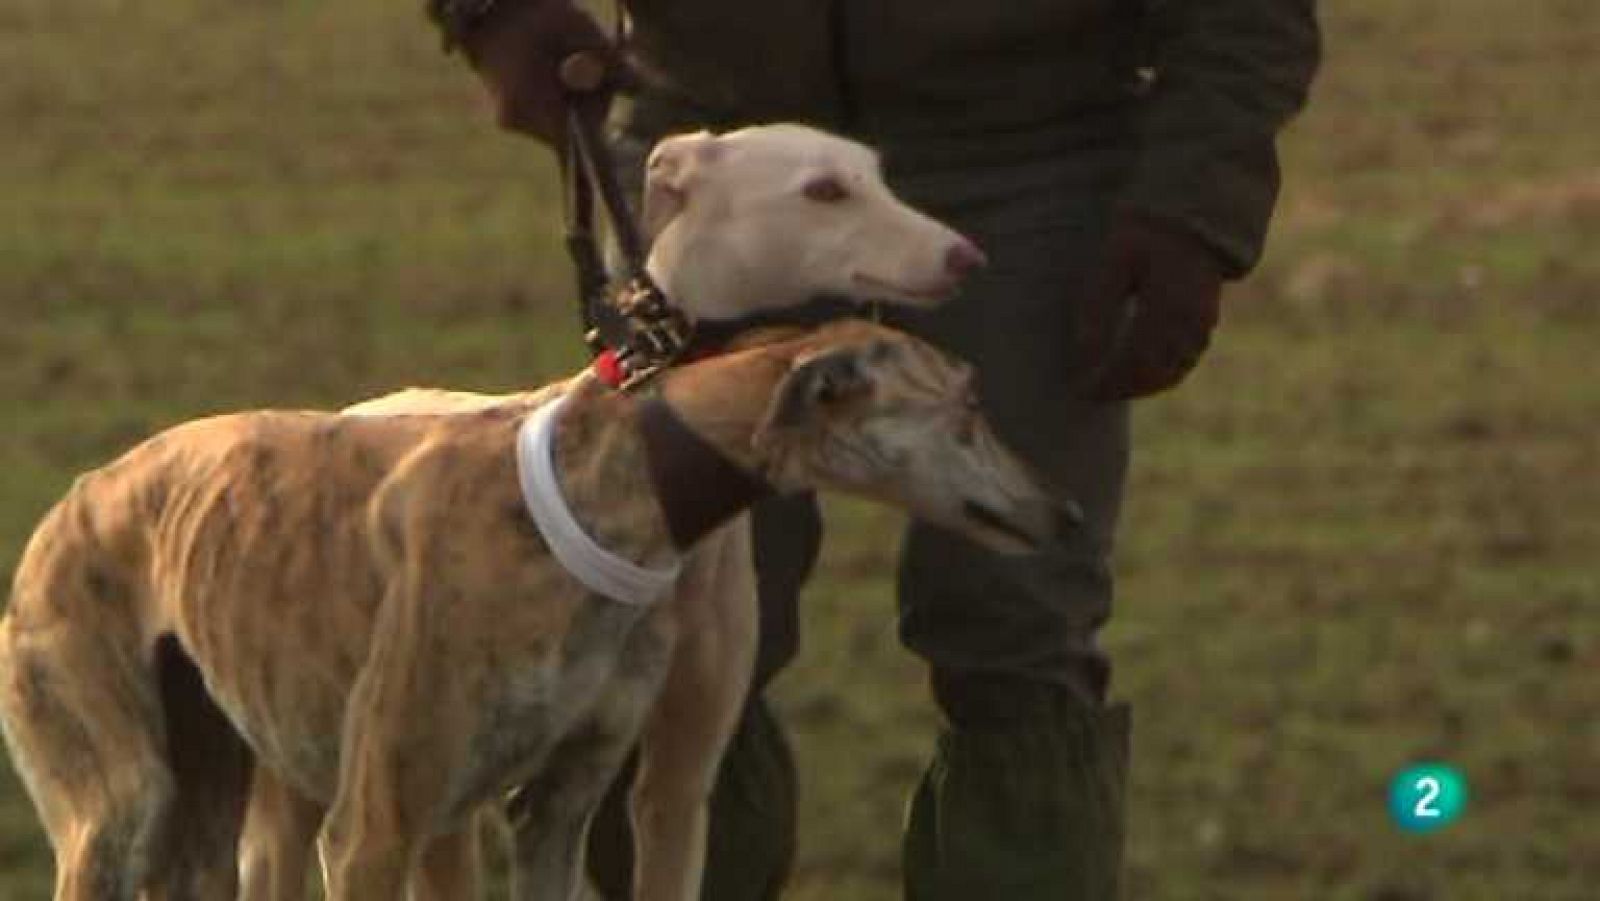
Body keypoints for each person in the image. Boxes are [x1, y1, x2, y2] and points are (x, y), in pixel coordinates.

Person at [425, 1, 1320, 897]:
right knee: (653, 627)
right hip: (718, 162)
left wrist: (1191, 209)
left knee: (1019, 633)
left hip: (1034, 154)